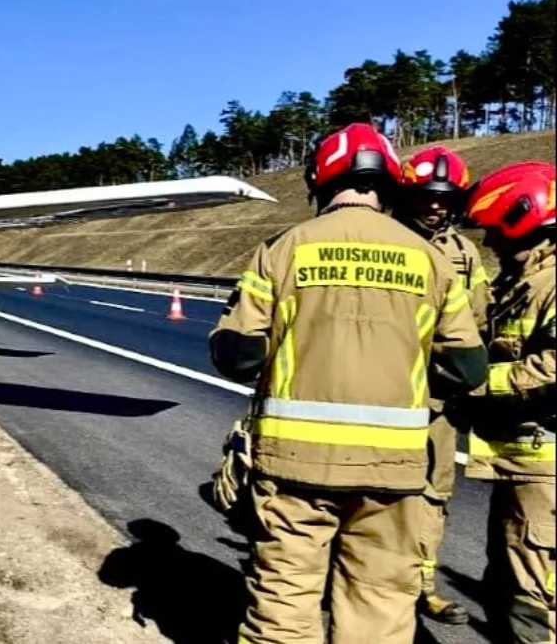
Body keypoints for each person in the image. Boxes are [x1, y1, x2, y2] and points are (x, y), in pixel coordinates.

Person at [208, 122, 488, 644]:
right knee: (380, 604)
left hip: (295, 464)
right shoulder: (431, 258)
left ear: (321, 178)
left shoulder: (282, 249)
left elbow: (239, 356)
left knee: (284, 604)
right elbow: (467, 368)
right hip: (396, 467)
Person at [455, 160, 555, 644]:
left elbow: (552, 369)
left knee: (532, 605)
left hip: (545, 472)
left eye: (495, 230)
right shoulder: (522, 283)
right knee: (504, 589)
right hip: (519, 463)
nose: (490, 242)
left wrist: (476, 383)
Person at [396, 145, 490, 625]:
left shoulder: (464, 253)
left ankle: (422, 587)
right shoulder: (385, 240)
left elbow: (478, 320)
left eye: (445, 198)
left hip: (437, 399)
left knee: (434, 494)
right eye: (426, 196)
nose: (435, 206)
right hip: (387, 392)